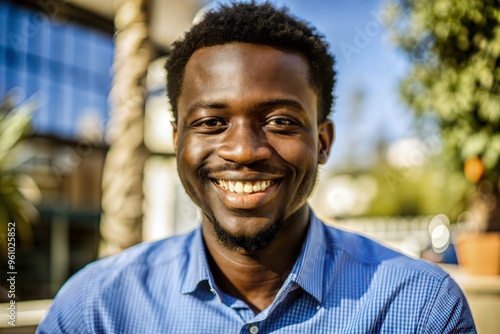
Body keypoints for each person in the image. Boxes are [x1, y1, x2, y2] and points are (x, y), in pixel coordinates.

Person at [37, 2, 476, 333]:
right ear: (177, 142)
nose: (244, 151)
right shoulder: (96, 308)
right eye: (211, 122)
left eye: (281, 121)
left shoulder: (418, 308)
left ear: (322, 143)